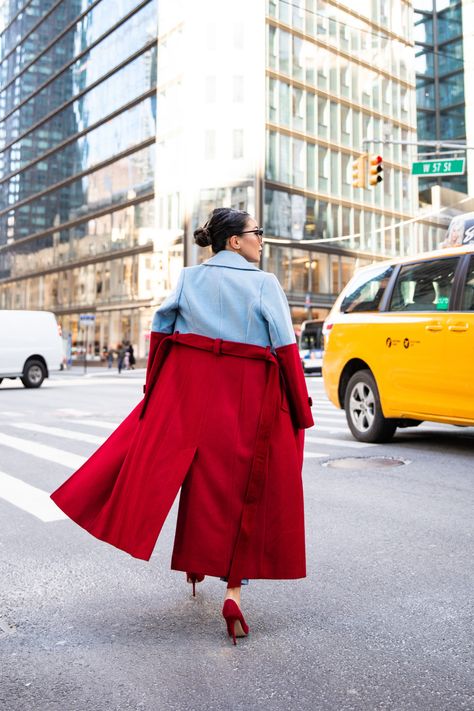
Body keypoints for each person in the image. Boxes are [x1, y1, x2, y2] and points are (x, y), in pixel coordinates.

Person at [50, 208, 314, 645]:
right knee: (242, 489)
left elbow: (161, 328)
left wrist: (155, 386)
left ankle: (195, 568)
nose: (261, 240)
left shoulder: (190, 278)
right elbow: (285, 347)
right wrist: (299, 411)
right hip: (248, 400)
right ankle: (232, 592)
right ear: (234, 240)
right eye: (256, 233)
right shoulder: (264, 283)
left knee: (198, 480)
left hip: (192, 397)